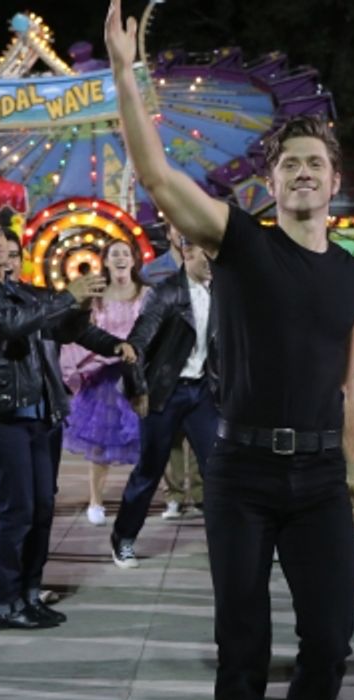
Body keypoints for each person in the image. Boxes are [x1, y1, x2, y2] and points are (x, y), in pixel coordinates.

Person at [107, 5, 354, 700]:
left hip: (322, 478)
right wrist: (126, 72)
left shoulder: (353, 275)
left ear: (333, 181)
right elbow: (156, 175)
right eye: (287, 162)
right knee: (243, 644)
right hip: (243, 473)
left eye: (313, 164)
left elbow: (346, 378)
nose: (300, 172)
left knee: (329, 641)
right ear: (270, 179)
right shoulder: (240, 242)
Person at [0, 205, 134, 629]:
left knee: (41, 509)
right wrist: (67, 297)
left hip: (39, 412)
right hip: (0, 415)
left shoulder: (21, 290)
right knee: (17, 511)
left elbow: (68, 328)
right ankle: (4, 604)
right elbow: (9, 325)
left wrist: (105, 333)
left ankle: (29, 596)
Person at [109, 238, 218, 567]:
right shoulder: (166, 292)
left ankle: (229, 540)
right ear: (188, 253)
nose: (213, 262)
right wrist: (138, 389)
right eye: (206, 255)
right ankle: (123, 538)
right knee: (149, 470)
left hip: (202, 392)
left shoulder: (224, 290)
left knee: (219, 469)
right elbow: (137, 343)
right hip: (164, 392)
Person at [60, 239, 147, 526]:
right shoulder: (96, 296)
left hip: (139, 376)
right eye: (114, 254)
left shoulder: (147, 294)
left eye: (125, 253)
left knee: (149, 440)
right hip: (103, 378)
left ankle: (146, 499)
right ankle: (96, 500)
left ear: (133, 259)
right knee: (99, 443)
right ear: (105, 262)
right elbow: (82, 332)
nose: (121, 258)